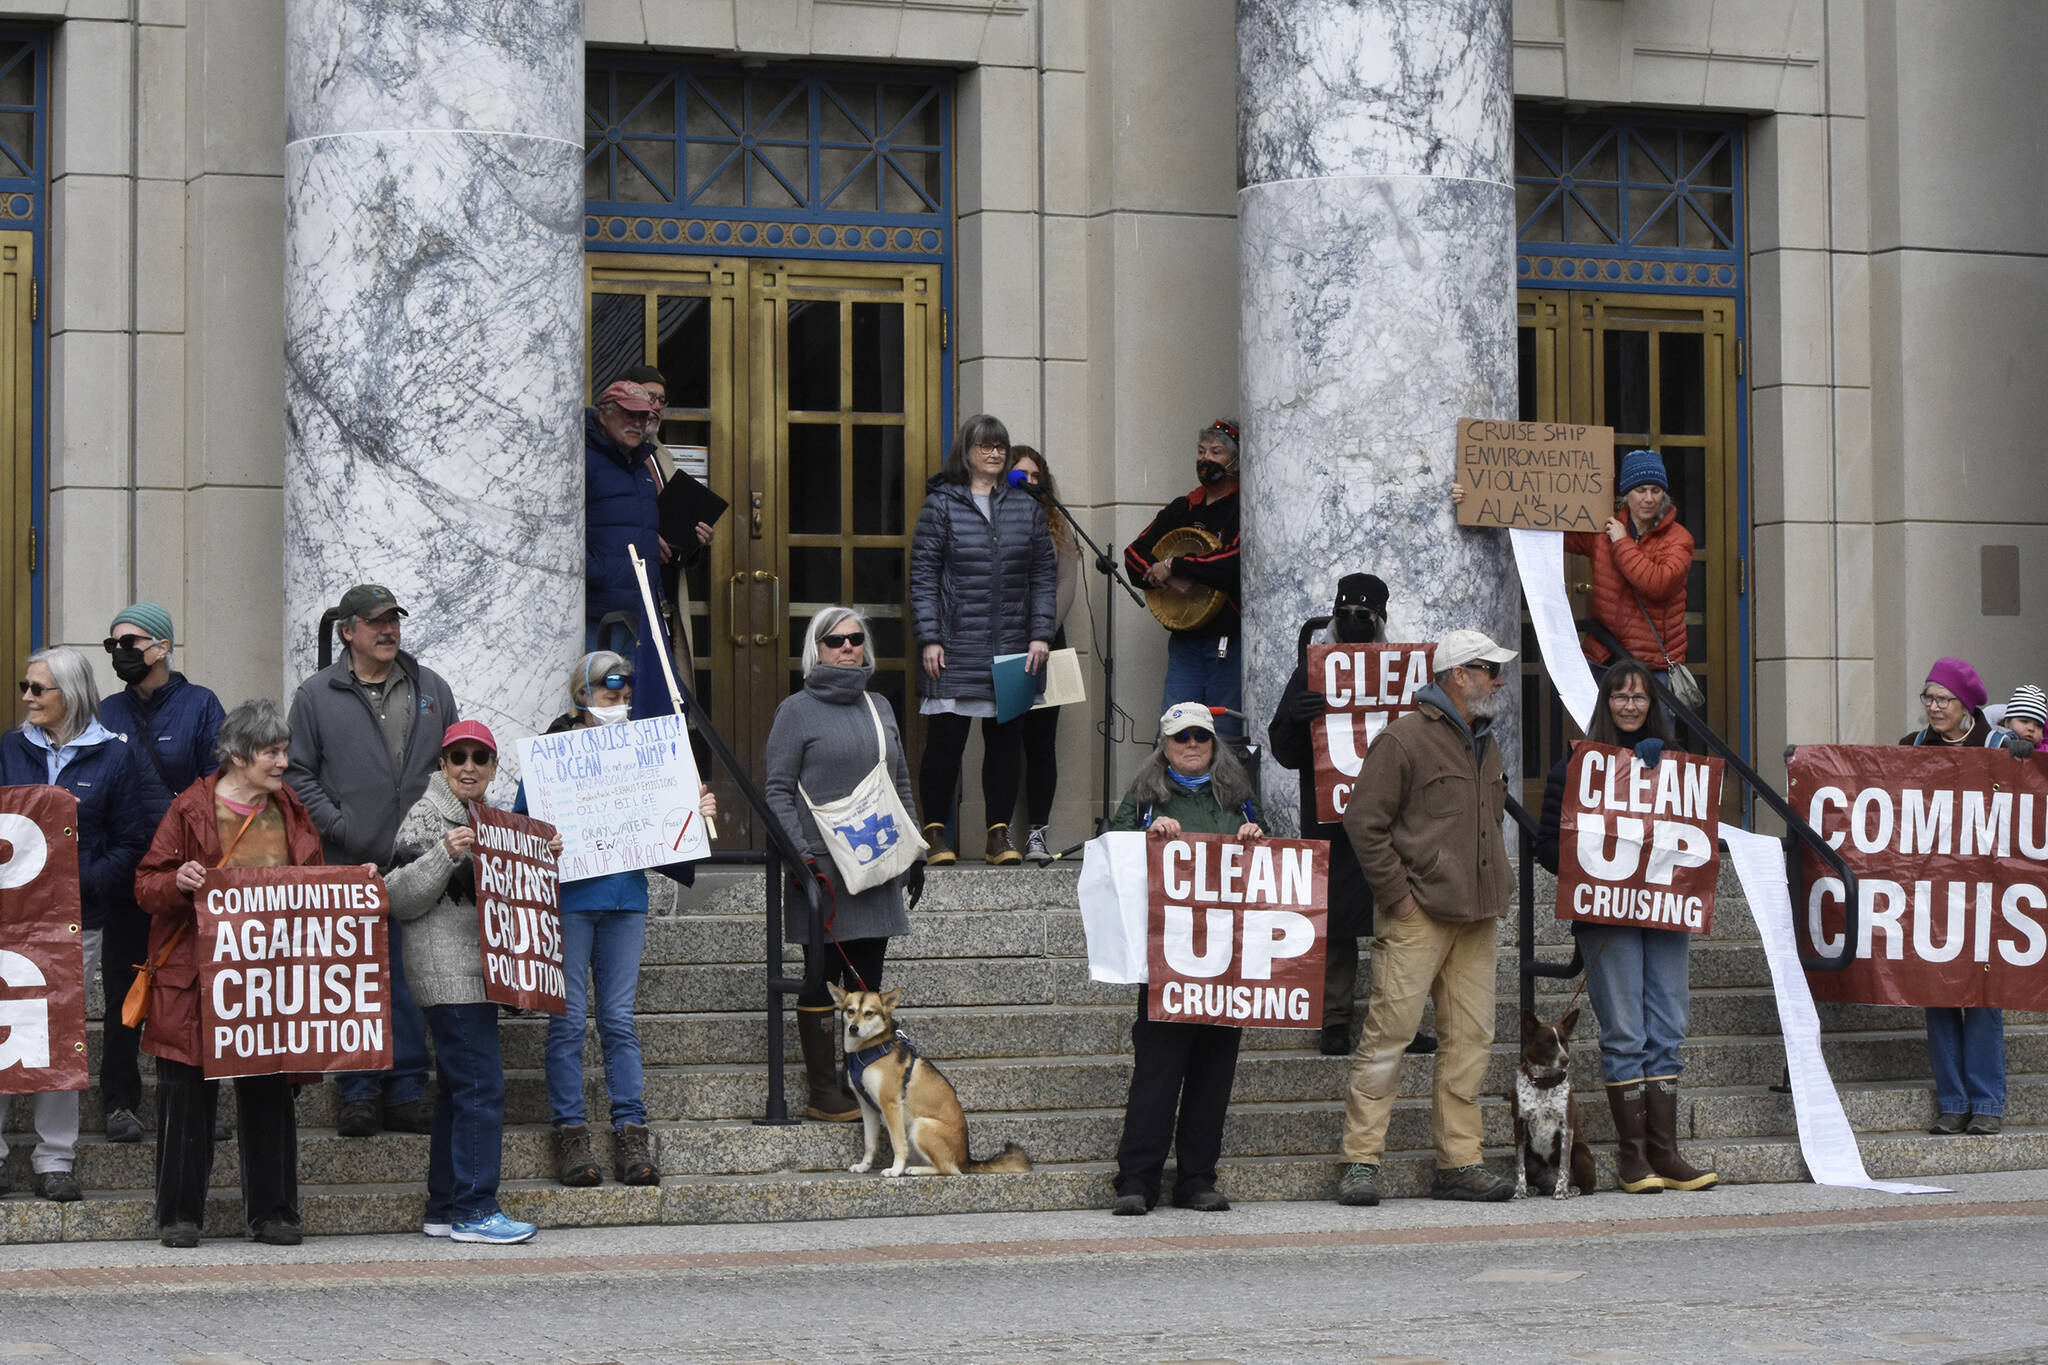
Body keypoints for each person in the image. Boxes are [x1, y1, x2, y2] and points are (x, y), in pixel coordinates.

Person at [517, 651, 716, 1186]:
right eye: (610, 693)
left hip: (626, 898)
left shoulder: (642, 749)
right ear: (583, 696)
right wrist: (542, 837)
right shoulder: (550, 755)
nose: (621, 701)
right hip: (571, 901)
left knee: (618, 1020)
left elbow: (666, 818)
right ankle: (571, 1132)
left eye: (626, 693)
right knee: (567, 1022)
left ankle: (631, 1129)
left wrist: (693, 811)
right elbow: (516, 824)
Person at [1334, 629, 1517, 1207]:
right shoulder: (1404, 739)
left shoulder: (1486, 741)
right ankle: (1361, 1161)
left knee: (1471, 1041)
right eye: (1488, 669)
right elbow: (1364, 822)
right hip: (1418, 914)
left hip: (1477, 914)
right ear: (1457, 675)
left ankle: (1460, 1161)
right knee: (1388, 1036)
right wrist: (1399, 897)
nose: (1498, 679)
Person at [133, 699, 325, 1247]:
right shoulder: (190, 809)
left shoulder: (291, 810)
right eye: (273, 752)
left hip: (268, 979)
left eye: (284, 750)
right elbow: (146, 885)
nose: (283, 762)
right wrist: (179, 883)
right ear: (239, 756)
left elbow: (315, 882)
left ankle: (274, 1212)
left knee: (269, 1092)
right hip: (194, 980)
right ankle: (179, 1215)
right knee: (186, 1099)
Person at [1535, 660, 1717, 1192]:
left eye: (1641, 697)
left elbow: (1696, 838)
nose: (1631, 705)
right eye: (1621, 696)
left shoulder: (1678, 767)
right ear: (1606, 703)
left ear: (1654, 705)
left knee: (1668, 1029)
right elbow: (1548, 843)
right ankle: (1633, 1157)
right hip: (1605, 915)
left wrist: (1663, 776)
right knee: (1626, 1034)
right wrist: (1594, 869)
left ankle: (1667, 1153)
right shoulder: (1573, 768)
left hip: (1665, 915)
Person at [285, 583, 456, 1138]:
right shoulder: (316, 694)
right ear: (348, 631)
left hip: (418, 863)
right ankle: (357, 1091)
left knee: (407, 976)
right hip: (347, 865)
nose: (388, 630)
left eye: (394, 621)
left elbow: (455, 764)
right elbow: (297, 774)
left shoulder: (431, 688)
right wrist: (339, 826)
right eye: (376, 621)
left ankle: (408, 1087)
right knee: (355, 979)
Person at [763, 609, 927, 1121]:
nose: (848, 648)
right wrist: (801, 858)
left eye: (856, 639)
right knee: (821, 976)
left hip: (877, 860)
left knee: (867, 980)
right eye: (835, 640)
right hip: (821, 868)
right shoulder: (795, 710)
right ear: (817, 649)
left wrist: (914, 849)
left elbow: (898, 783)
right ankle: (822, 1091)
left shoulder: (879, 705)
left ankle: (863, 1078)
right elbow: (776, 791)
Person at [385, 721, 545, 1244]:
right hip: (446, 974)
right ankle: (476, 1209)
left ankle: (445, 1204)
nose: (469, 767)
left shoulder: (495, 822)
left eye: (480, 758)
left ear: (495, 768)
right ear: (443, 766)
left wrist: (544, 858)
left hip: (480, 974)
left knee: (459, 1092)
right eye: (459, 758)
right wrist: (444, 854)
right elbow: (397, 896)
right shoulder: (428, 816)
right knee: (481, 1087)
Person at [1267, 574, 1436, 1060]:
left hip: (1393, 823)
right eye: (1345, 617)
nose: (1354, 625)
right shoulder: (1311, 672)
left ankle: (1400, 1021)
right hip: (1331, 820)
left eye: (1364, 617)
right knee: (1338, 924)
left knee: (1399, 922)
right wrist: (1297, 719)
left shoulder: (1406, 674)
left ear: (1381, 621)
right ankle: (1335, 1019)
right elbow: (1284, 751)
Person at [0, 646, 148, 1203]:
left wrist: (78, 882)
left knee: (56, 1035)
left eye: (39, 689)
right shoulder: (9, 749)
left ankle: (54, 1159)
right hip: (9, 924)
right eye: (26, 687)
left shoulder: (114, 757)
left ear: (72, 695)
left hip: (74, 925)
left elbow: (132, 844)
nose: (28, 698)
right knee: (4, 1030)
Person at [1107, 703, 1263, 1215]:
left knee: (1213, 1072)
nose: (1191, 744)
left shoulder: (1239, 798)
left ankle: (1197, 1178)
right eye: (1180, 737)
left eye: (1201, 736)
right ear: (1164, 746)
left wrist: (1256, 842)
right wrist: (1145, 840)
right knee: (1157, 1072)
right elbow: (1112, 857)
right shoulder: (1144, 797)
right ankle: (1137, 1180)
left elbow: (1270, 871)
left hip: (1225, 961)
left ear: (1215, 743)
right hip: (1166, 960)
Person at [96, 602, 227, 1146]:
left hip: (187, 877)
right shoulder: (105, 712)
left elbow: (218, 786)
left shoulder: (200, 706)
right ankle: (120, 1101)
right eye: (114, 646)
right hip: (129, 876)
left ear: (162, 647)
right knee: (125, 986)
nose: (121, 654)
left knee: (196, 991)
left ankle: (202, 1102)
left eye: (131, 643)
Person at [909, 414, 1056, 866]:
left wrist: (1039, 635)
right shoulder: (942, 505)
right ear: (966, 453)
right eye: (985, 446)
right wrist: (930, 637)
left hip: (1013, 645)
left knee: (1005, 743)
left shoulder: (1025, 506)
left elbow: (1043, 576)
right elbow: (923, 576)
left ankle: (998, 836)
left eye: (1000, 447)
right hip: (954, 646)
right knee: (945, 743)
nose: (994, 454)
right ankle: (935, 834)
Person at [1902, 656, 2026, 1135]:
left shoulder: (1998, 745)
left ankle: (1987, 1104)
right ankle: (1952, 1101)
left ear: (1966, 704)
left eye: (1943, 699)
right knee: (1937, 995)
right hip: (1933, 891)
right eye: (1928, 698)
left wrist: (2028, 758)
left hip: (1988, 895)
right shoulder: (1911, 746)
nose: (1933, 707)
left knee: (1981, 996)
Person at [1124, 420, 1244, 738]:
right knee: (1175, 726)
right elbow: (1134, 555)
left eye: (1216, 452)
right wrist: (1167, 578)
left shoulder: (1244, 506)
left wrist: (1177, 564)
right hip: (1185, 642)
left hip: (1228, 641)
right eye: (1201, 451)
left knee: (1226, 732)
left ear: (1235, 461)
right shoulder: (1183, 507)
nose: (1206, 459)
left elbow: (1234, 562)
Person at [1007, 445, 1080, 865]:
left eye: (1035, 476)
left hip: (1047, 641)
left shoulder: (1058, 524)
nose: (1028, 483)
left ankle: (1037, 832)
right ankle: (1000, 834)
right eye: (1020, 475)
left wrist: (1042, 632)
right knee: (1005, 739)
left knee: (1041, 743)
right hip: (1004, 641)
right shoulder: (992, 518)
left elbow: (1066, 582)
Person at [2001, 683, 2046, 747]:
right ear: (2007, 722)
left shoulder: (2044, 752)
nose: (2031, 729)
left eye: (2039, 725)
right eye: (2024, 721)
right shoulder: (1993, 742)